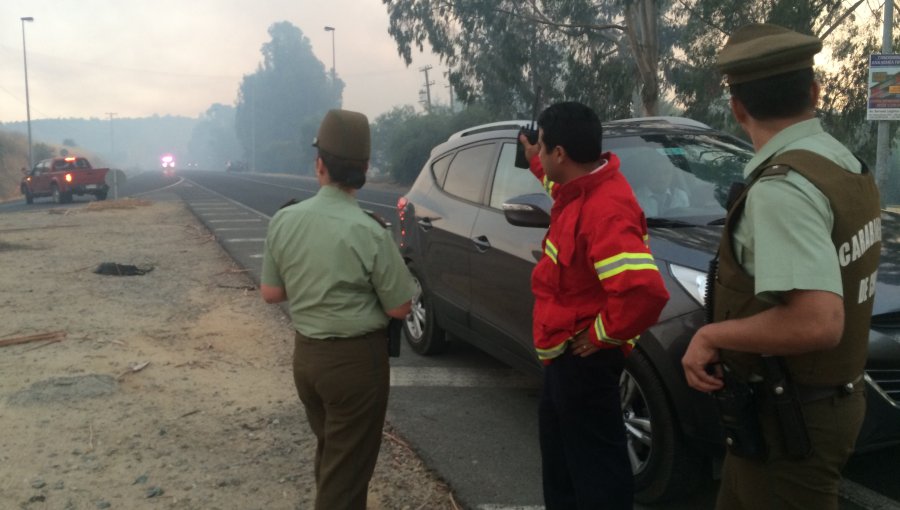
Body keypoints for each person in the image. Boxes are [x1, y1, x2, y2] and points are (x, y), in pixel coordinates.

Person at [681, 24, 882, 510]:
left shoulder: (782, 190)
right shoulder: (842, 164)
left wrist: (710, 337)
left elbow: (817, 321)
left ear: (737, 107)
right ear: (814, 92)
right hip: (808, 403)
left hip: (792, 418)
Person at [260, 109, 416, 510]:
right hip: (355, 365)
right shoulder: (370, 230)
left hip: (307, 359)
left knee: (333, 456)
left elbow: (272, 293)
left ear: (319, 165)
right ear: (364, 169)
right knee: (346, 477)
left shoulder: (285, 219)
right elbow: (400, 307)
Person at [519, 101, 670, 509]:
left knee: (597, 474)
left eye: (544, 147)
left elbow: (645, 291)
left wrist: (602, 335)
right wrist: (535, 160)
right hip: (562, 359)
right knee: (563, 462)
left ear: (561, 154)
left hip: (585, 364)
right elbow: (557, 185)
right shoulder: (577, 190)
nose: (542, 153)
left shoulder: (606, 209)